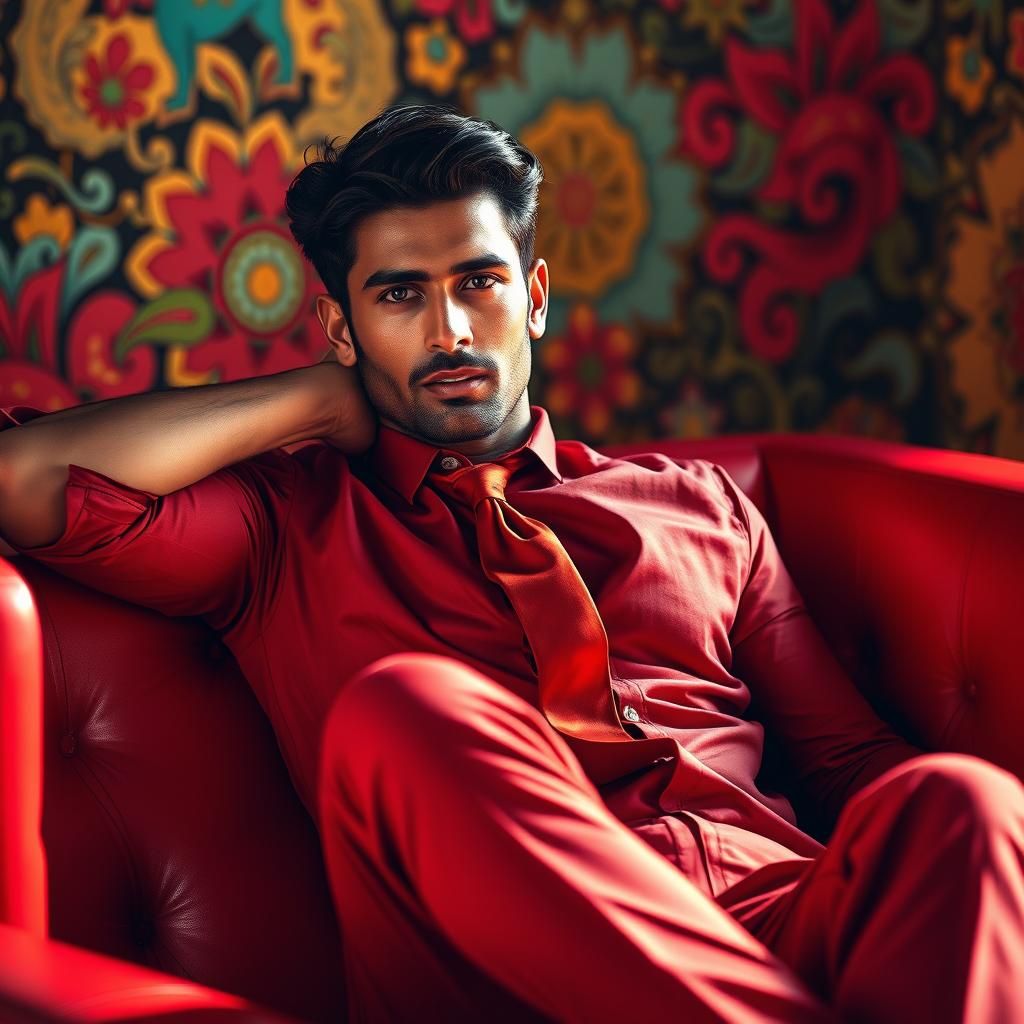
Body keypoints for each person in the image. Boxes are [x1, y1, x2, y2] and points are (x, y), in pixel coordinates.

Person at [1, 104, 1023, 1024]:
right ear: (342, 327)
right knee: (407, 709)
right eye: (400, 296)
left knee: (963, 802)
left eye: (478, 283)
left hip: (772, 921)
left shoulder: (700, 506)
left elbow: (849, 762)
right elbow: (22, 479)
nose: (449, 330)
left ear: (532, 297)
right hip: (490, 974)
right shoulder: (286, 524)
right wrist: (315, 399)